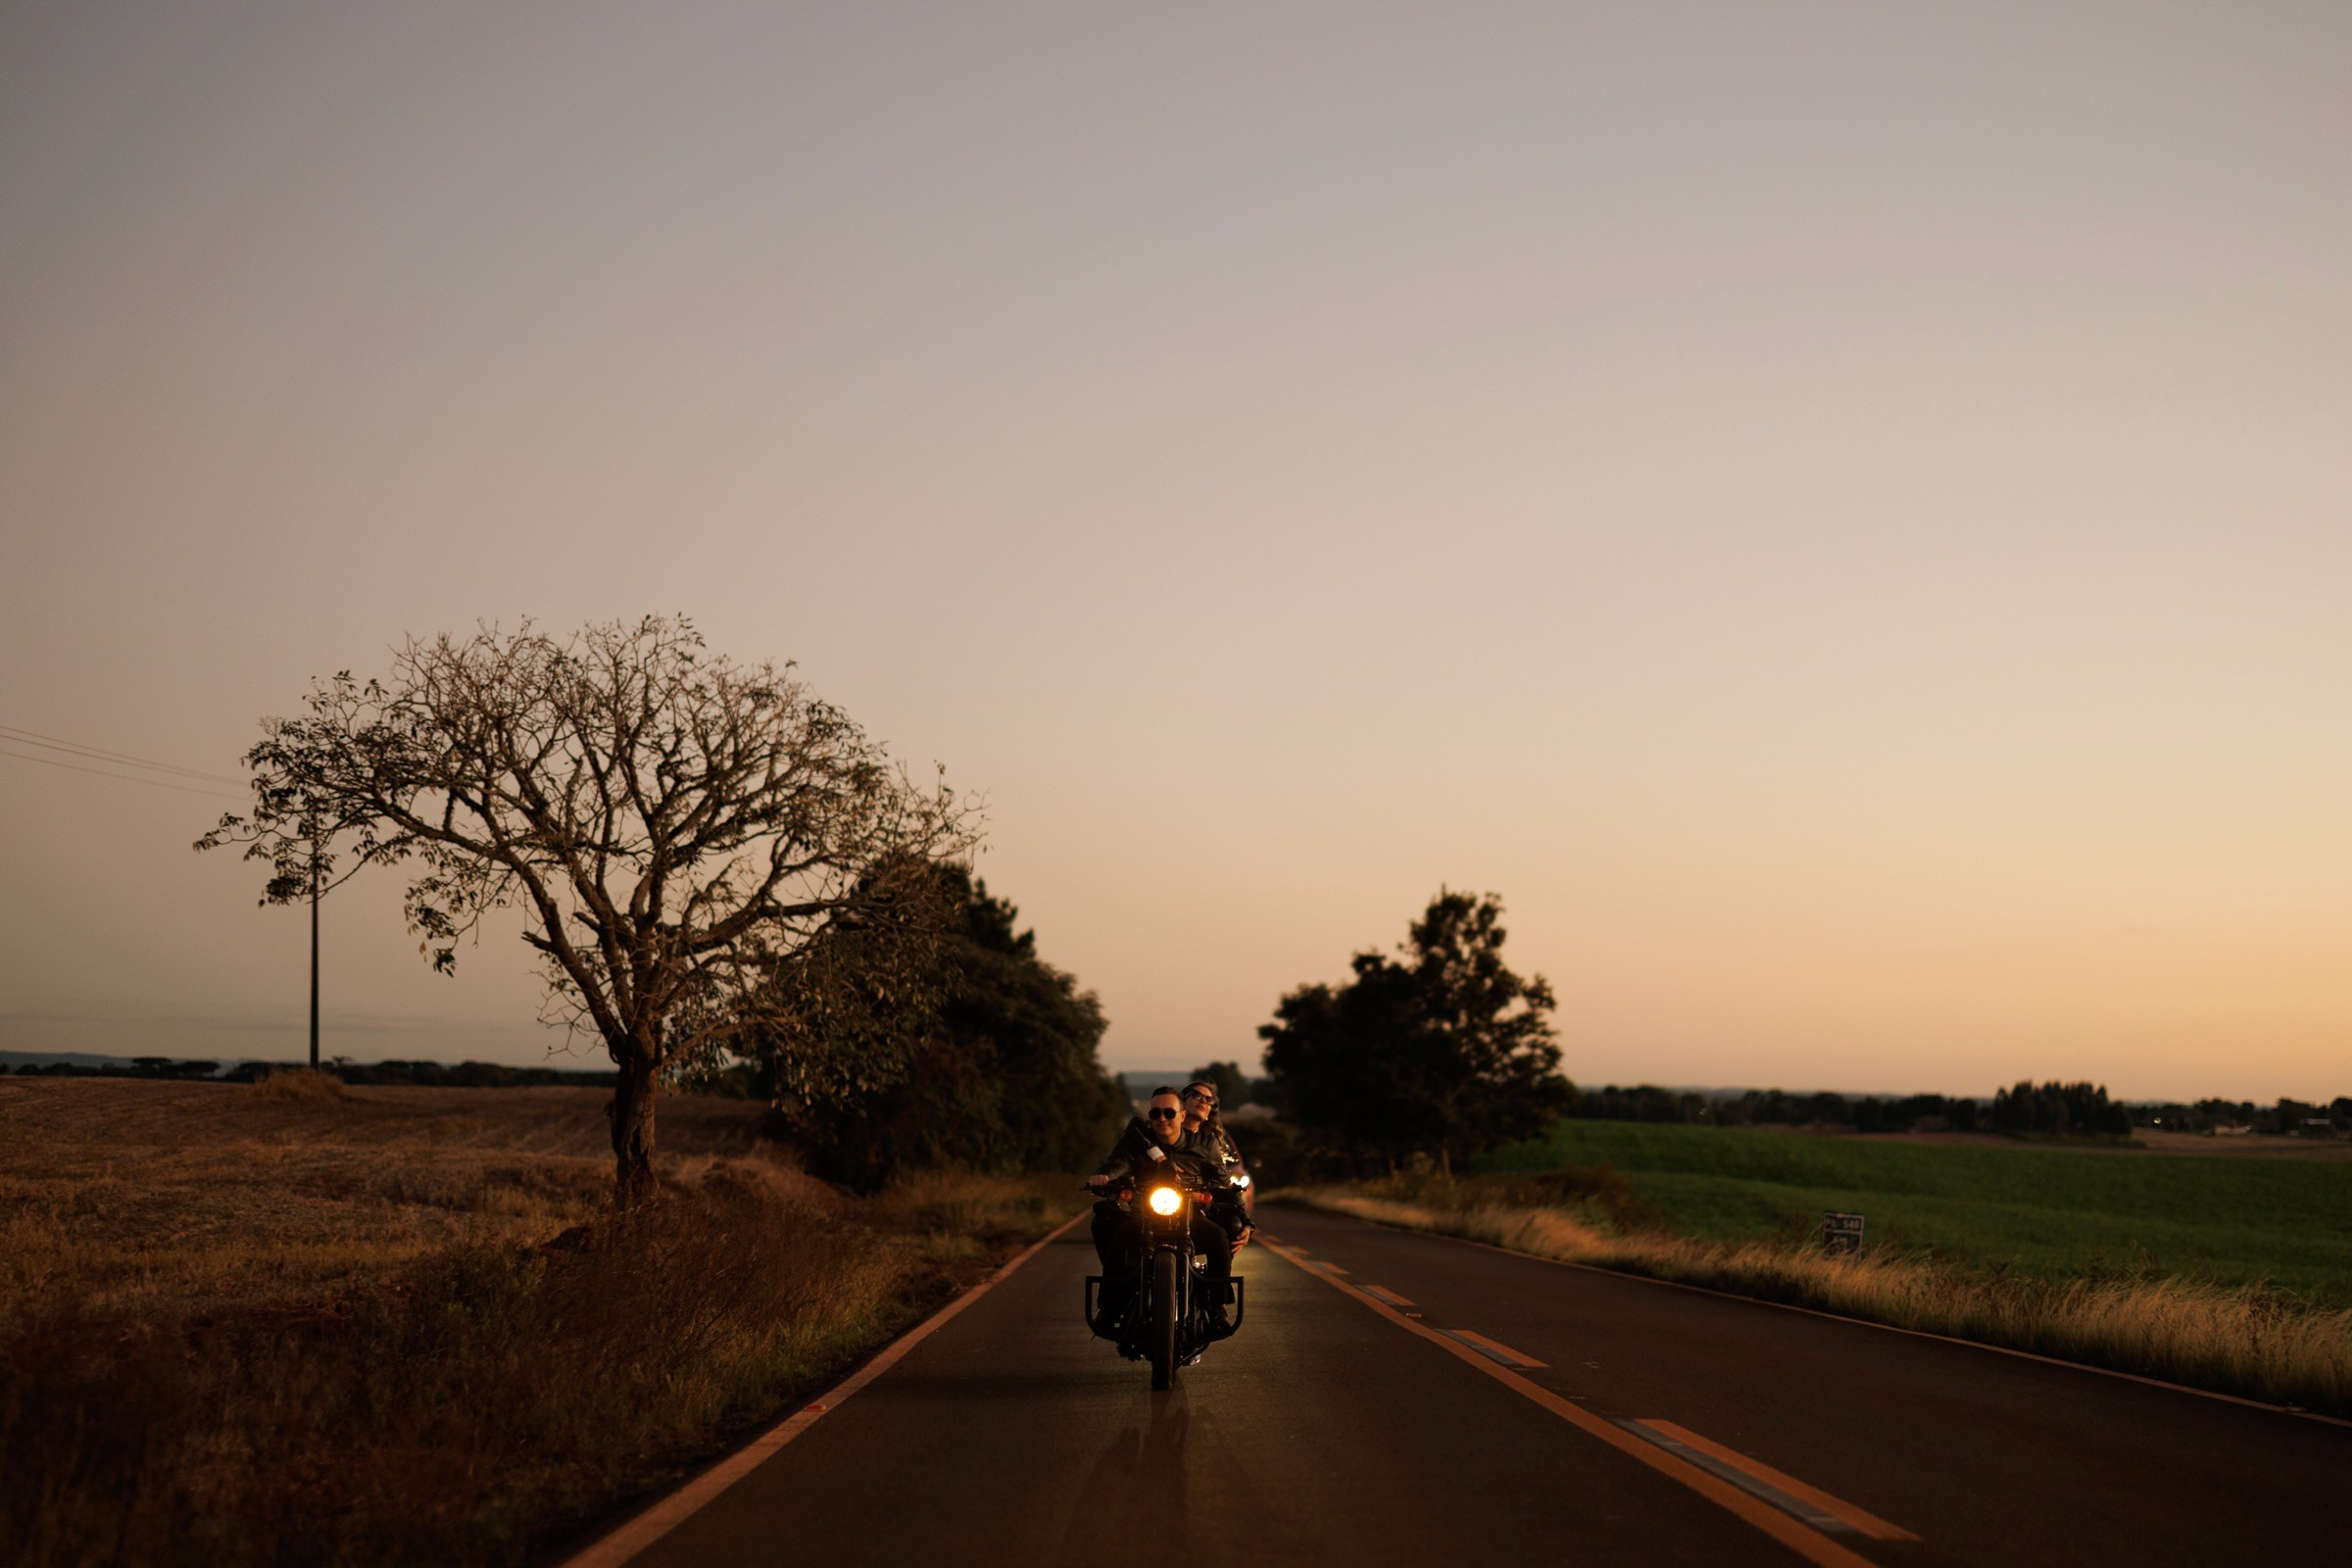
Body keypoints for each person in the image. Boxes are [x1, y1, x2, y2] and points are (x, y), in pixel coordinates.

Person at [1087, 1087, 1240, 1331]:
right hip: (1144, 1215)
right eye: (1155, 1113)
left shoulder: (1204, 1144)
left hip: (1189, 1216)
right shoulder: (1137, 1141)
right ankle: (1110, 1307)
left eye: (1169, 1113)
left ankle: (1216, 1307)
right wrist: (1104, 1176)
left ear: (1182, 1115)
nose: (1162, 1119)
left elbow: (1223, 1181)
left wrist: (1240, 1212)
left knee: (1218, 1237)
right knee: (1120, 1236)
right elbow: (1118, 1162)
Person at [1179, 1079, 1253, 1233]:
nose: (1203, 1101)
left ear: (1210, 1111)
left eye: (1209, 1099)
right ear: (1181, 1102)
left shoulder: (1210, 1143)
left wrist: (1246, 1220)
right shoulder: (1163, 1131)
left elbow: (1226, 1182)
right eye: (1196, 1095)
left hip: (1196, 1209)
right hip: (1156, 1205)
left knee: (1227, 1231)